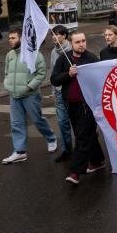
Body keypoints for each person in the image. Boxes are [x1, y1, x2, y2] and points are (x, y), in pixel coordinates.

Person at [50, 31, 105, 185]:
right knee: (86, 135)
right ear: (71, 43)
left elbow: (100, 80)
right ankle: (98, 160)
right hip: (71, 105)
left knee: (82, 137)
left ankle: (75, 172)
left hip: (87, 105)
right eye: (78, 42)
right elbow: (54, 79)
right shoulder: (63, 58)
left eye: (83, 41)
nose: (81, 44)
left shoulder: (91, 59)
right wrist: (68, 74)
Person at [2, 29, 57, 164]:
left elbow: (42, 73)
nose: (10, 40)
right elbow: (7, 72)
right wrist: (7, 84)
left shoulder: (33, 54)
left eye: (13, 38)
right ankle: (20, 152)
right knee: (16, 123)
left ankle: (51, 138)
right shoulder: (10, 55)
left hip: (30, 95)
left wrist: (28, 87)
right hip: (14, 95)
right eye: (9, 38)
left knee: (37, 120)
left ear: (21, 38)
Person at [50, 25, 73, 162]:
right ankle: (67, 150)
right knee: (62, 122)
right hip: (59, 92)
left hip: (70, 92)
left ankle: (84, 149)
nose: (54, 37)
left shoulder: (70, 50)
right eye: (53, 34)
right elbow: (54, 74)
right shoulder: (54, 52)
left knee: (77, 122)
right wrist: (53, 91)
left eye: (57, 34)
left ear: (64, 36)